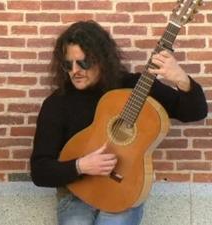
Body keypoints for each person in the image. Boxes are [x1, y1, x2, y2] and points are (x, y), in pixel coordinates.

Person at [30, 20, 207, 225]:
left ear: (102, 60)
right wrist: (81, 166)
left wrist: (181, 79)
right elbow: (40, 171)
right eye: (68, 64)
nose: (75, 71)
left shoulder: (134, 88)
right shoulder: (57, 103)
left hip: (123, 189)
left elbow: (194, 112)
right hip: (76, 195)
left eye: (83, 63)